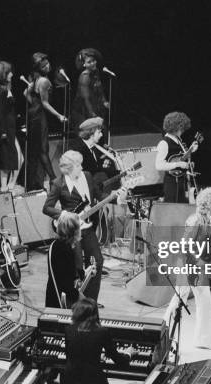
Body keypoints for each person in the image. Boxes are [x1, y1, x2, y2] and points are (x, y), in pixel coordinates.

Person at [43, 151, 125, 305]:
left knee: (97, 261)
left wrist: (117, 198)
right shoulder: (58, 183)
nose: (81, 167)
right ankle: (76, 300)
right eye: (78, 165)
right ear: (69, 168)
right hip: (72, 229)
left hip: (86, 227)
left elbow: (99, 196)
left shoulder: (87, 176)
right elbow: (47, 208)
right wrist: (65, 213)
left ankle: (90, 301)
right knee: (77, 267)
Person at [163, 187, 211, 349]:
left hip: (197, 265)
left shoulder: (208, 219)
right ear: (210, 204)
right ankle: (162, 333)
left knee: (203, 301)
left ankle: (202, 340)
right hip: (188, 264)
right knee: (179, 299)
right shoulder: (195, 220)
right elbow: (185, 245)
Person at [61, 298, 135, 384]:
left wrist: (94, 357)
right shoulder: (102, 332)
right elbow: (118, 360)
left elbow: (71, 356)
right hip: (92, 378)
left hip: (69, 378)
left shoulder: (69, 330)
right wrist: (129, 354)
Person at [24, 52, 66, 190]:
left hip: (34, 115)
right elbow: (45, 103)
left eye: (48, 63)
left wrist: (33, 103)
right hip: (39, 116)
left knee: (37, 150)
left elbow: (26, 94)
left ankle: (36, 182)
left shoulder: (37, 79)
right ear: (39, 68)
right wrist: (59, 115)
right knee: (43, 149)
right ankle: (54, 180)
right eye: (44, 65)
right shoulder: (44, 81)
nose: (48, 66)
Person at [0, 61, 23, 192]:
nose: (12, 74)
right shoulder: (1, 92)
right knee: (7, 162)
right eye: (9, 72)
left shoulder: (5, 89)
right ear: (3, 75)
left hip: (10, 130)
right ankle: (5, 188)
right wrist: (3, 133)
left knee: (17, 159)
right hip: (6, 131)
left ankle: (9, 186)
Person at [155, 111, 198, 203]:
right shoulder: (164, 143)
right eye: (181, 128)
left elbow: (181, 157)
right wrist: (178, 164)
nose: (182, 131)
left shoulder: (179, 140)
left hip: (181, 181)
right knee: (173, 210)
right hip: (171, 184)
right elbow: (158, 165)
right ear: (175, 128)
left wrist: (191, 150)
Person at [45, 212, 84, 309]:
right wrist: (80, 297)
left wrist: (80, 273)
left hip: (52, 293)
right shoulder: (65, 250)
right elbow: (67, 286)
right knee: (89, 308)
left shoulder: (55, 245)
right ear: (74, 231)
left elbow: (64, 272)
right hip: (60, 300)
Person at [71, 48, 109, 135]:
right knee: (92, 135)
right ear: (84, 64)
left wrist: (104, 101)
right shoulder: (84, 77)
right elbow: (85, 99)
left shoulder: (96, 72)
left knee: (101, 132)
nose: (92, 63)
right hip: (84, 110)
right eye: (89, 62)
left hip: (94, 106)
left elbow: (100, 88)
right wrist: (92, 114)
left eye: (93, 60)